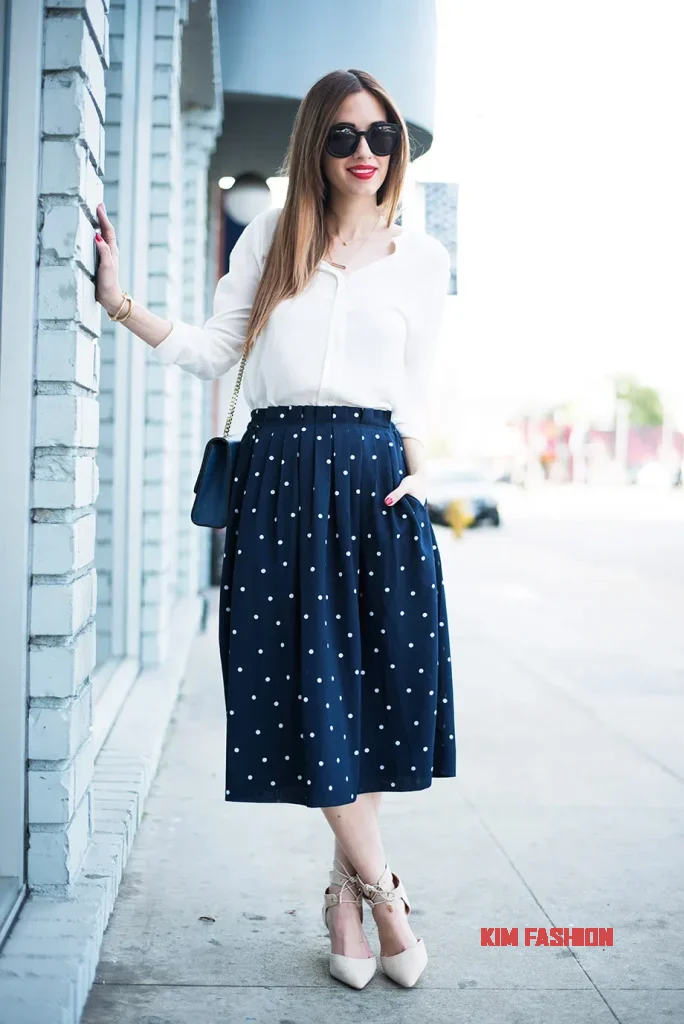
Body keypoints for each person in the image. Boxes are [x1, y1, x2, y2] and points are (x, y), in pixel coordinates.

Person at [94, 68, 456, 991]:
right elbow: (217, 351)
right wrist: (122, 305)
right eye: (343, 137)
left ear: (397, 148)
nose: (365, 153)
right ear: (314, 147)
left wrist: (423, 474)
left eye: (380, 136)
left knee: (370, 695)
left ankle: (341, 897)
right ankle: (382, 894)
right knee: (307, 692)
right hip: (281, 483)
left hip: (379, 487)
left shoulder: (424, 260)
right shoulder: (269, 239)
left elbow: (415, 386)